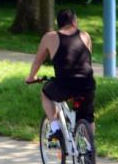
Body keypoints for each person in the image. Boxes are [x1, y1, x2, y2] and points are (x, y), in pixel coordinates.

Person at [25, 8, 96, 146]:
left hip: (65, 84)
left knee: (46, 93)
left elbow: (38, 60)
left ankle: (55, 128)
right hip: (87, 83)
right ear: (74, 22)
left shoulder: (49, 37)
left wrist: (31, 77)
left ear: (59, 23)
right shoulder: (85, 36)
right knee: (87, 117)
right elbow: (87, 60)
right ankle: (89, 150)